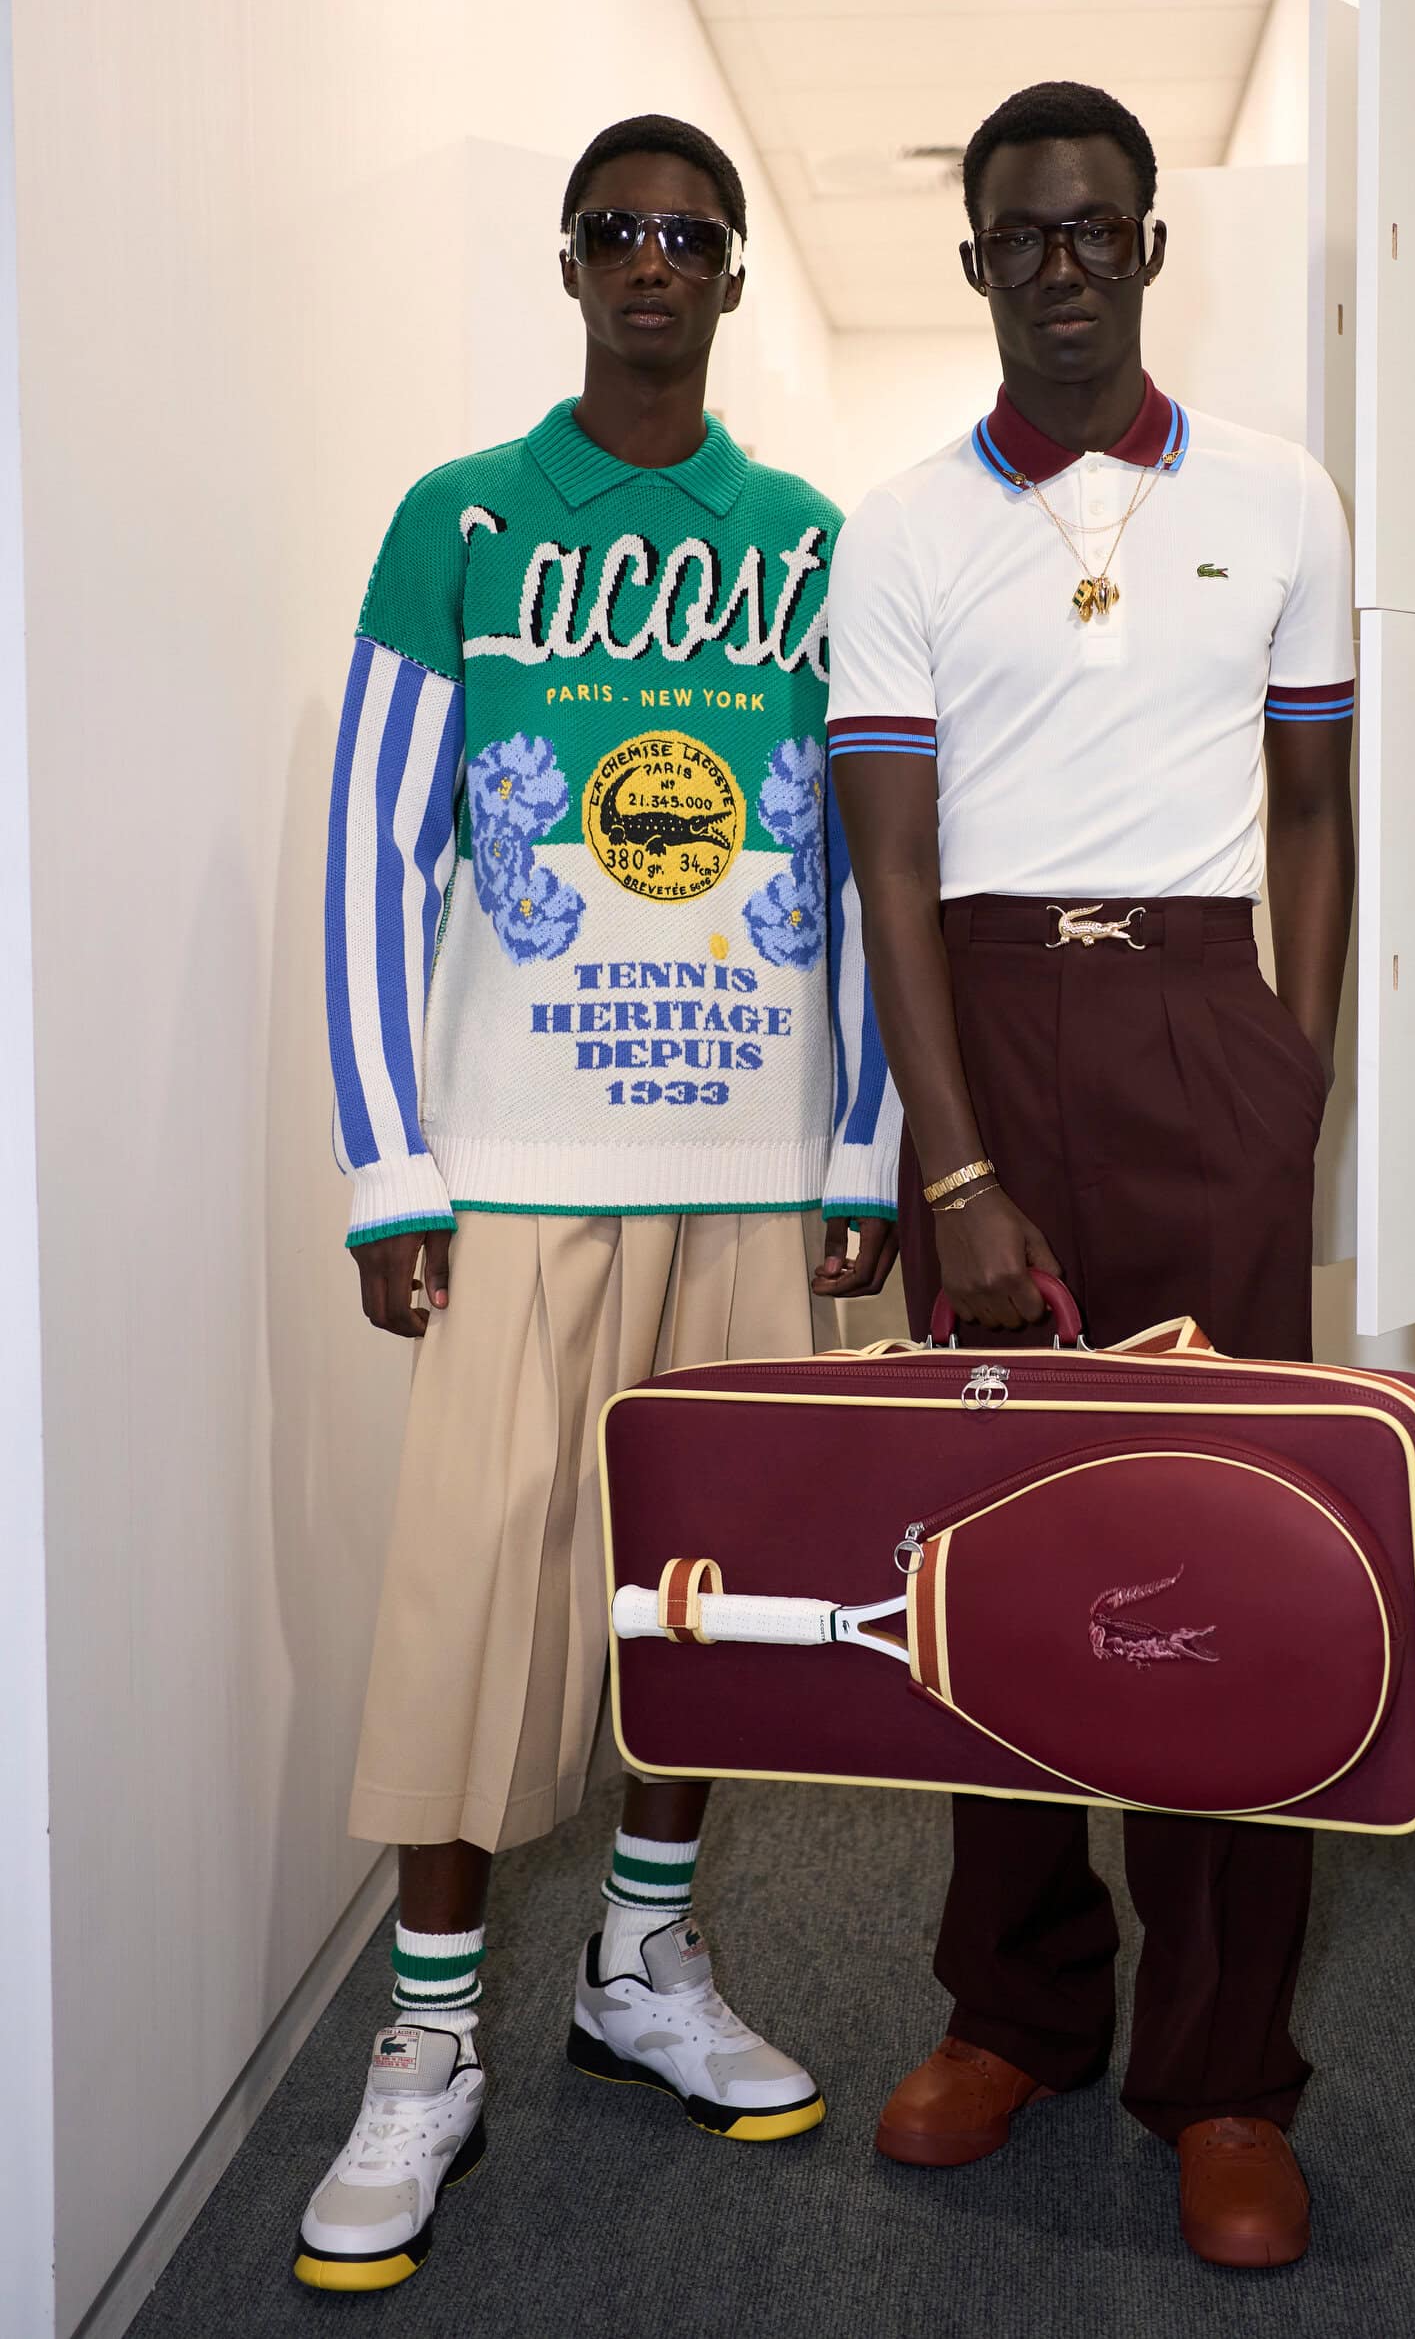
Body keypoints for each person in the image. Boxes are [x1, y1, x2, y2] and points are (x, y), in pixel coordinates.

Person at [299, 113, 899, 2292]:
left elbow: (870, 859)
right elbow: (375, 844)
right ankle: (425, 2036)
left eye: (691, 233)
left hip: (748, 1154)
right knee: (470, 1594)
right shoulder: (458, 519)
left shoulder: (814, 545)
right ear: (570, 265)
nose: (654, 259)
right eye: (618, 230)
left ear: (732, 276)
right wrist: (389, 1160)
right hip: (517, 1159)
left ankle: (641, 1962)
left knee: (703, 1598)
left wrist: (863, 1141)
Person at [826, 80, 1354, 2270]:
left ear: (1146, 244)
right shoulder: (896, 531)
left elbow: (1310, 806)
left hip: (1203, 1024)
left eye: (1095, 228)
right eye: (1021, 235)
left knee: (1225, 1548)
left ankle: (1221, 2070)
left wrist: (1290, 1076)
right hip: (988, 1029)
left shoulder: (1280, 496)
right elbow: (888, 860)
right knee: (994, 1550)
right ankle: (1016, 2010)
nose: (1061, 264)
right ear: (974, 263)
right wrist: (951, 1160)